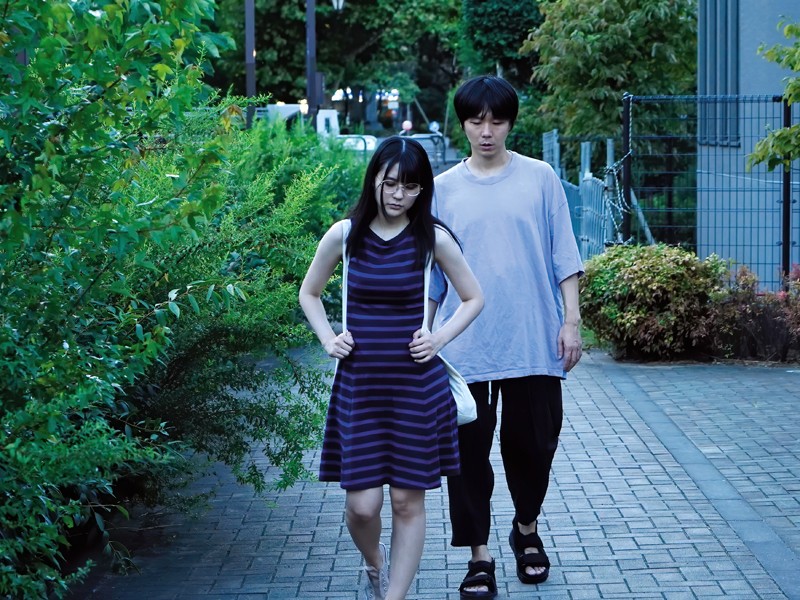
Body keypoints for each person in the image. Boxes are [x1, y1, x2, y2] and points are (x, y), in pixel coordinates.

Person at [299, 136, 484, 600]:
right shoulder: (345, 235)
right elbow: (309, 293)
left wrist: (438, 337)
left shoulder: (431, 239)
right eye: (390, 183)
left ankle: (394, 596)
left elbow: (473, 297)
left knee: (406, 501)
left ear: (422, 190)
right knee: (361, 507)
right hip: (360, 387)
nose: (399, 194)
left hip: (416, 388)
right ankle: (374, 562)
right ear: (375, 181)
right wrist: (328, 338)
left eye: (410, 186)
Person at [430, 76, 584, 598]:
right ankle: (479, 554)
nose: (486, 131)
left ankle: (526, 528)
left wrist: (571, 320)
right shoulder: (443, 189)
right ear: (463, 124)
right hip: (464, 345)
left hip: (532, 337)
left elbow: (565, 254)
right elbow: (433, 275)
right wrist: (425, 335)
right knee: (466, 456)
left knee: (535, 444)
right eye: (476, 121)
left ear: (511, 123)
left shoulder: (540, 178)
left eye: (497, 121)